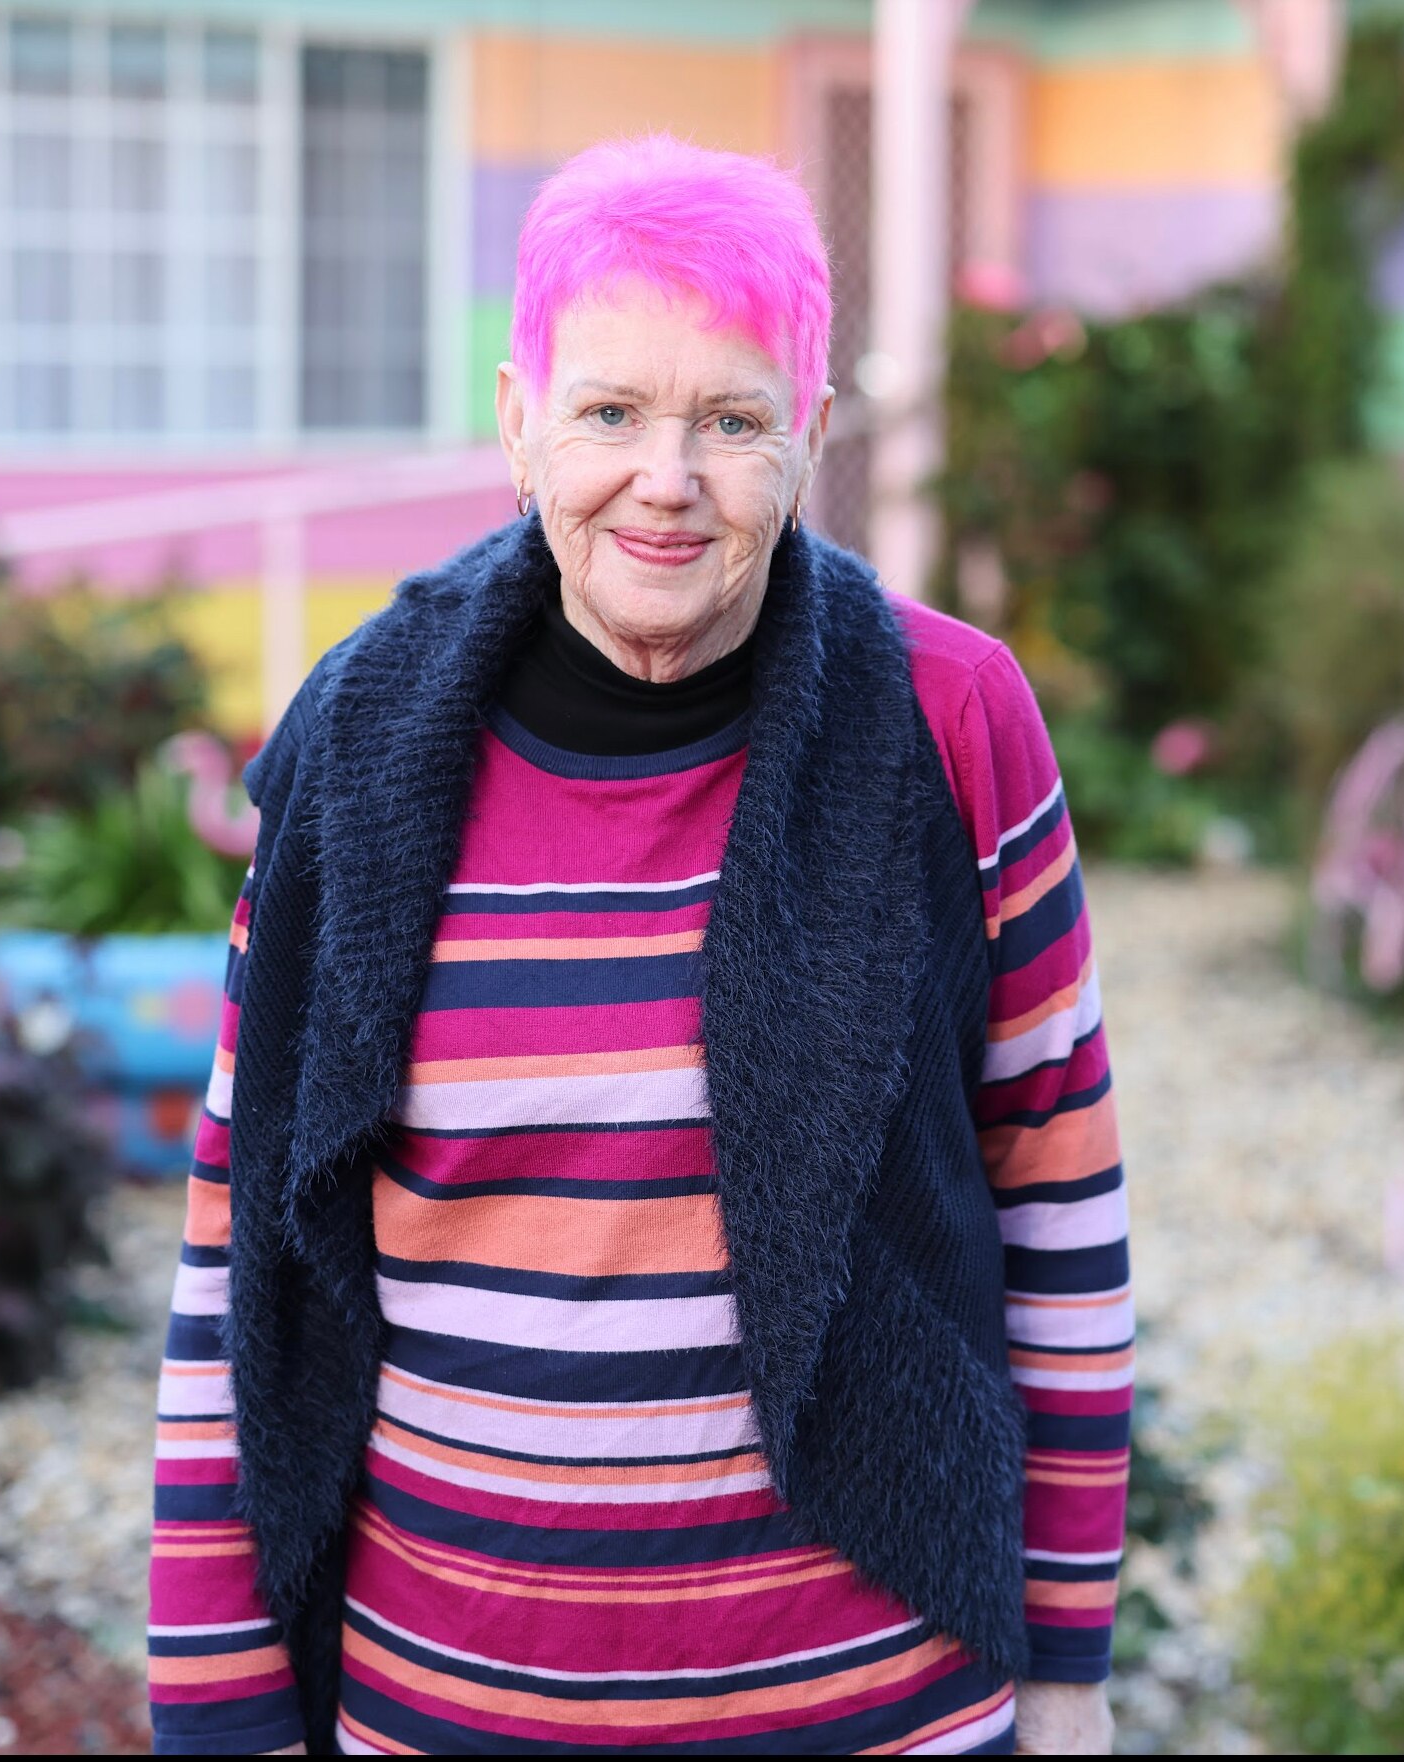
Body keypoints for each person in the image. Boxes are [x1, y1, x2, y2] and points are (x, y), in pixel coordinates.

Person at [146, 134, 1130, 1757]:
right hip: (448, 1707)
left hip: (873, 1709)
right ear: (519, 419)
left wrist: (1071, 1675)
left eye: (730, 421)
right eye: (608, 411)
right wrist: (218, 1710)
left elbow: (1061, 1203)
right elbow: (239, 1253)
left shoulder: (952, 721)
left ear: (808, 443)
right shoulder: (362, 741)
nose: (664, 480)